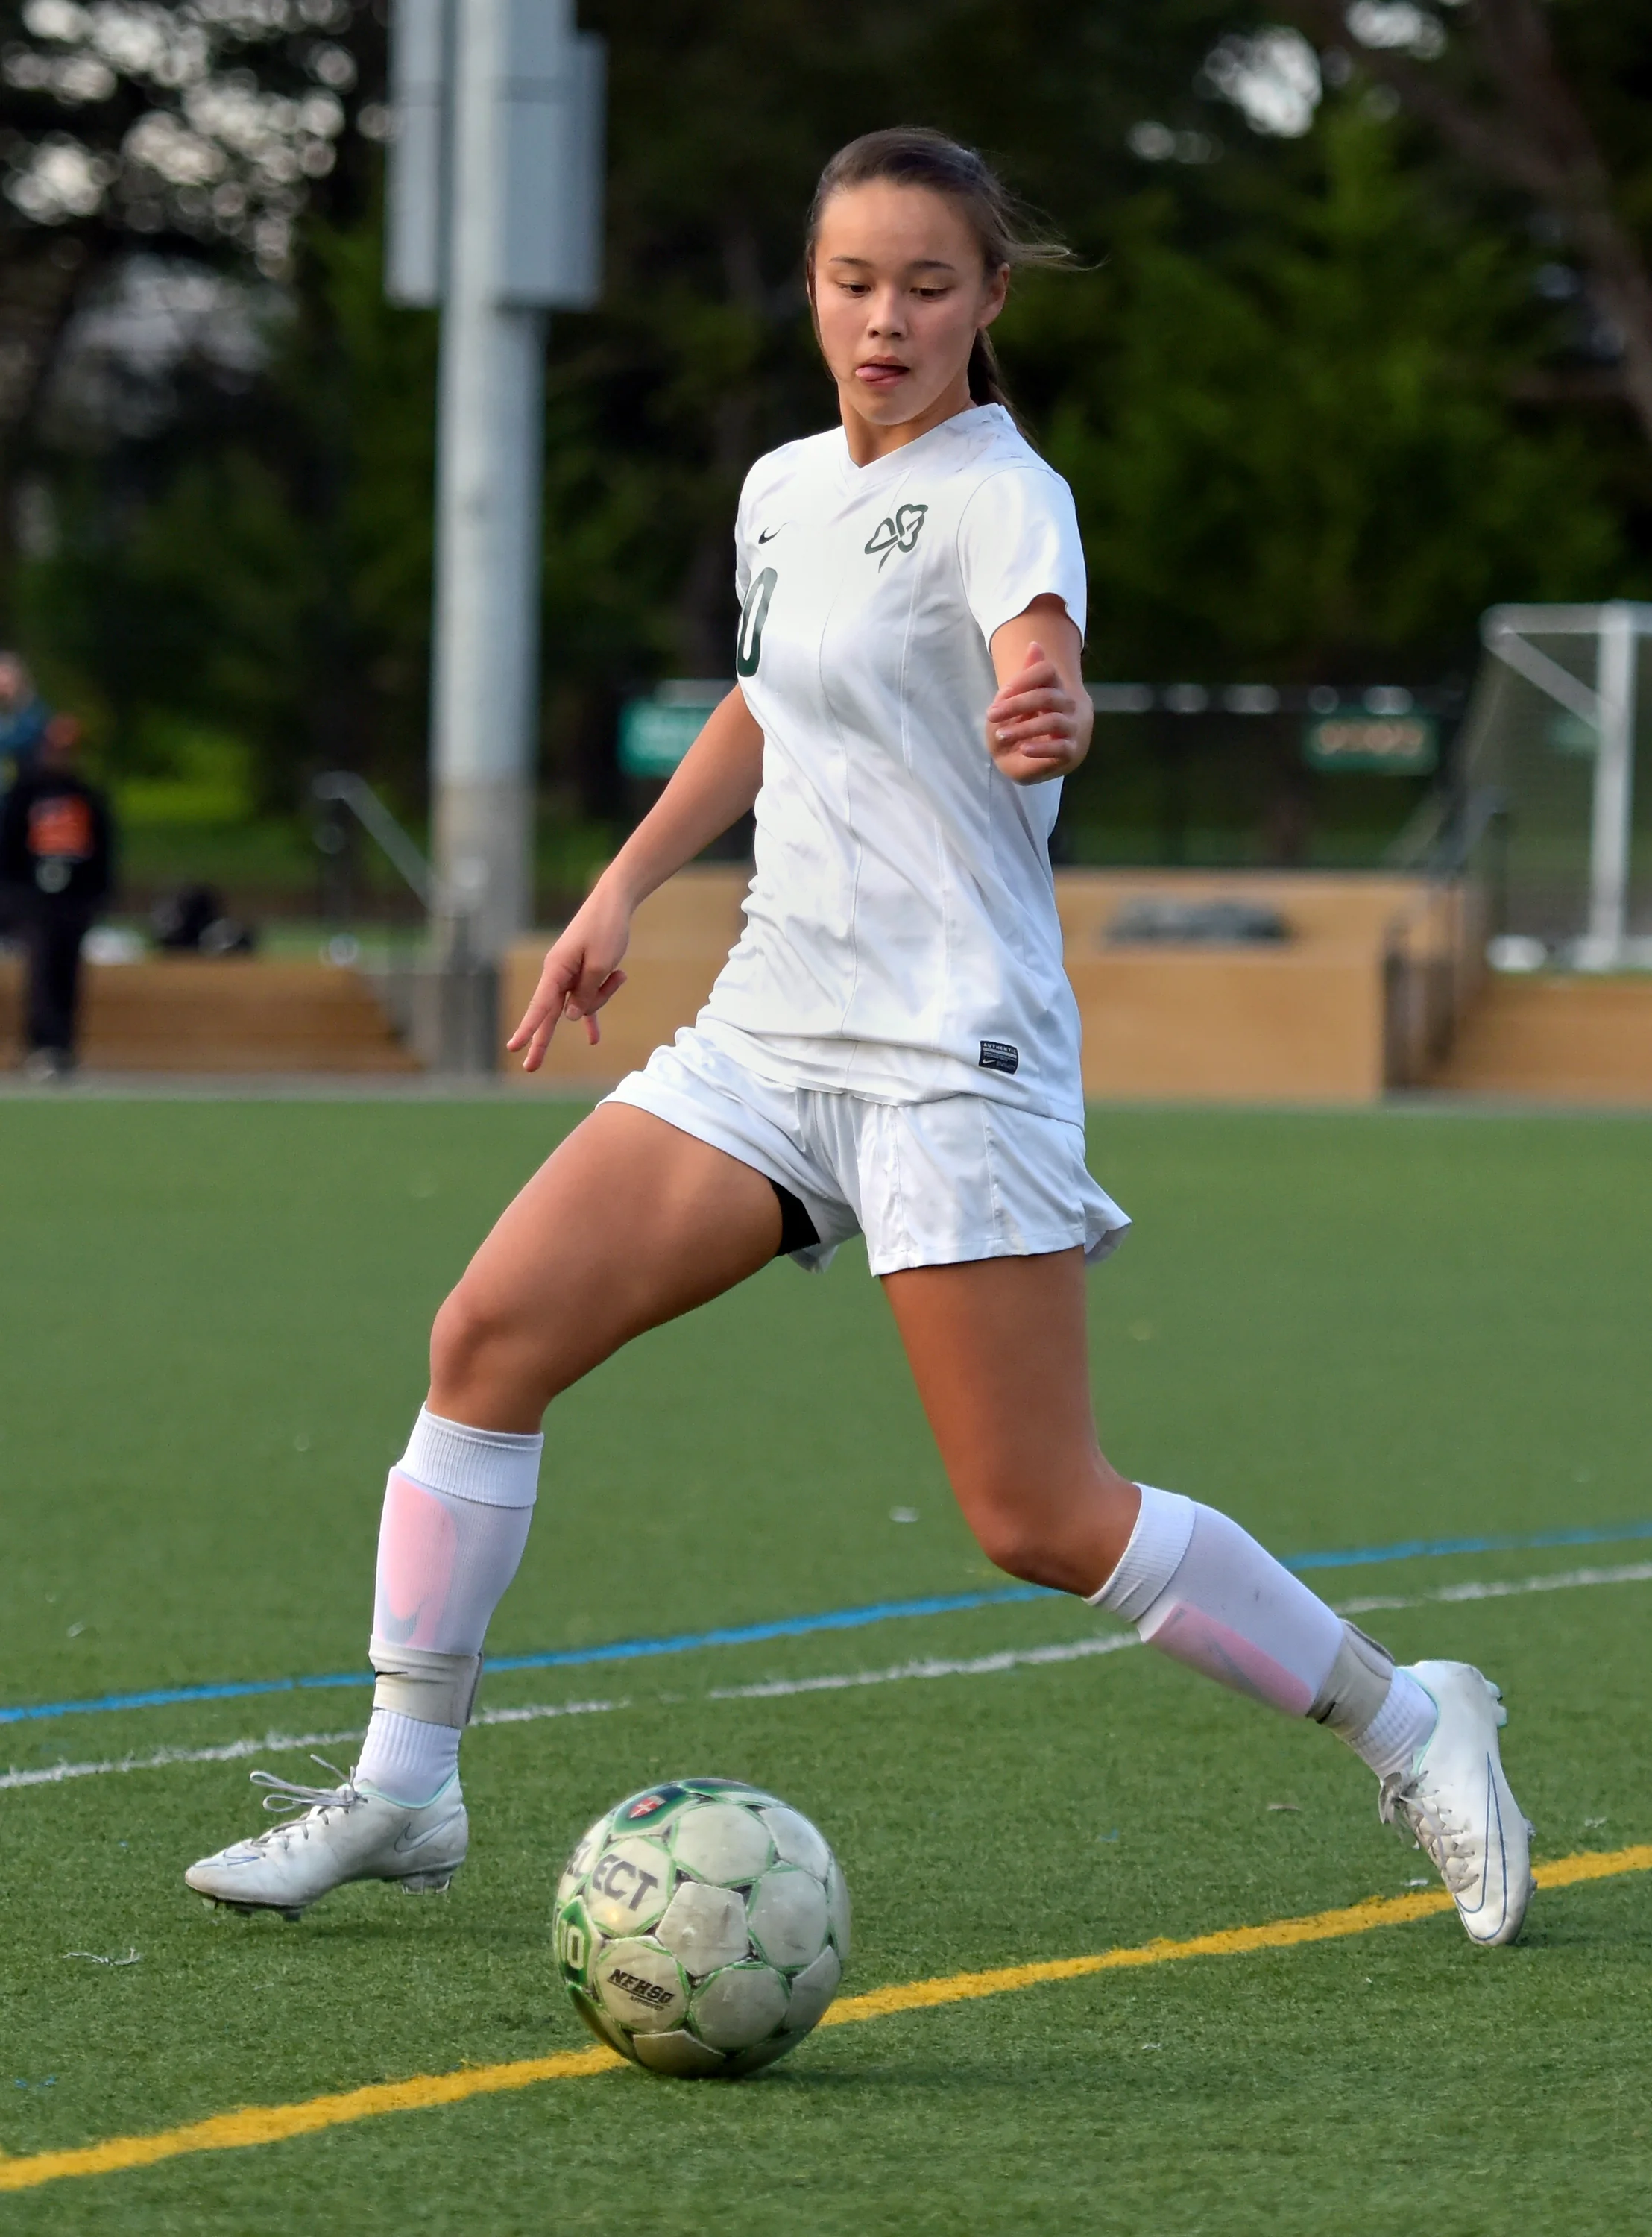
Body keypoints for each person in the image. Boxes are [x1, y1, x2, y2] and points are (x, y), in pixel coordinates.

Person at [186, 128, 1533, 1945]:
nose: (882, 318)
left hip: (943, 1050)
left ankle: (1417, 1716)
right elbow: (762, 699)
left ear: (986, 301)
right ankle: (407, 1782)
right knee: (485, 1337)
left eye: (922, 284)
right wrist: (621, 892)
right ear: (808, 289)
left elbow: (1033, 655)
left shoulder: (1003, 492)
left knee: (1038, 1513)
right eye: (849, 281)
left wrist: (1044, 703)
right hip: (763, 1032)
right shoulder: (776, 487)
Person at [0, 712, 113, 1079]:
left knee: (68, 970)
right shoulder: (24, 795)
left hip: (74, 901)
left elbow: (103, 851)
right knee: (42, 967)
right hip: (33, 899)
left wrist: (97, 896)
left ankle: (64, 1046)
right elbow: (9, 848)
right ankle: (41, 1046)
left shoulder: (87, 797)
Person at [0, 652, 51, 775]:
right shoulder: (5, 715)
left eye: (6, 684)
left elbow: (26, 738)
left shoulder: (34, 714)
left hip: (29, 784)